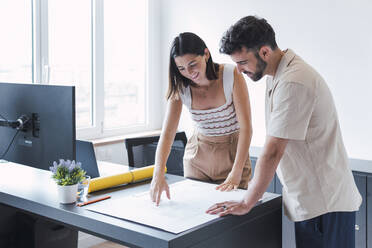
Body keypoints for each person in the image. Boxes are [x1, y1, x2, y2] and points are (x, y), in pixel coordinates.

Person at [206, 16, 362, 248]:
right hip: (314, 202)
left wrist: (248, 201)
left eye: (242, 62)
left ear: (265, 52)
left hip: (326, 205)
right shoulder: (277, 75)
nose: (239, 70)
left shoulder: (293, 81)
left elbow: (273, 151)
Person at [150, 32, 253, 205]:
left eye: (192, 64)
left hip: (232, 156)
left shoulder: (231, 74)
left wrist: (236, 172)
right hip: (198, 157)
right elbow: (168, 133)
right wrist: (157, 175)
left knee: (232, 218)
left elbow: (246, 128)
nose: (189, 73)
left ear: (205, 54)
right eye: (181, 69)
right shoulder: (181, 86)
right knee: (196, 213)